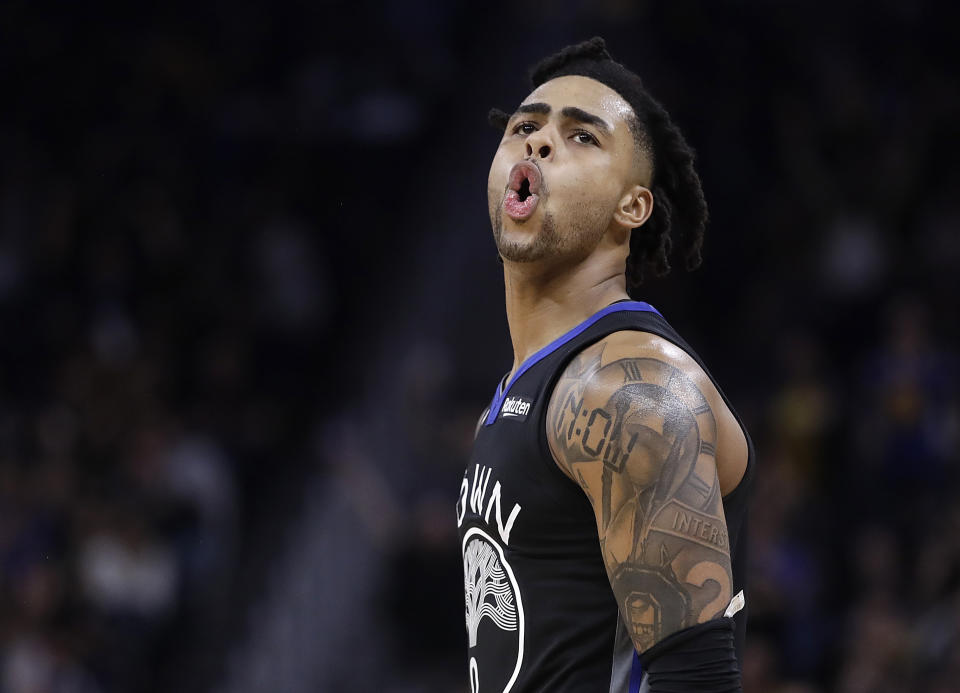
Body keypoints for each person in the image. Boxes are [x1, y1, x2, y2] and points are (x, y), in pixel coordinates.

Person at [456, 37, 755, 692]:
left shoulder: (628, 390)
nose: (537, 144)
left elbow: (695, 680)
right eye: (524, 128)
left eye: (581, 137)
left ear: (633, 206)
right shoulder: (521, 393)